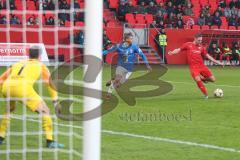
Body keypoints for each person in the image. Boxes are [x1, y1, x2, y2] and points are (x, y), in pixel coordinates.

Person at [0, 46, 64, 148]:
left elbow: (1, 79)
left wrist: (4, 92)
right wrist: (55, 102)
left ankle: (0, 137)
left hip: (6, 87)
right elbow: (50, 84)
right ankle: (50, 141)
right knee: (45, 111)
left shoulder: (18, 63)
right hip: (22, 89)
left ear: (28, 54)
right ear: (40, 56)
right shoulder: (41, 65)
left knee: (9, 110)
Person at [168, 33, 224, 99]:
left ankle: (203, 79)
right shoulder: (188, 45)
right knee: (197, 79)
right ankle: (206, 95)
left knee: (213, 79)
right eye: (199, 40)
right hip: (194, 67)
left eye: (201, 40)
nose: (200, 42)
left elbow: (208, 56)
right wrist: (172, 52)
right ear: (195, 39)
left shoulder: (201, 47)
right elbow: (178, 49)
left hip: (202, 66)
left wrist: (218, 62)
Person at [103, 32, 152, 99]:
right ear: (126, 39)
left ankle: (111, 80)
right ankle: (109, 93)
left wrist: (147, 64)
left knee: (118, 85)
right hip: (121, 66)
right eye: (130, 38)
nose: (132, 40)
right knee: (117, 79)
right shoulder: (118, 46)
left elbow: (142, 55)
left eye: (132, 38)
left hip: (129, 69)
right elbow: (107, 51)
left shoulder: (134, 47)